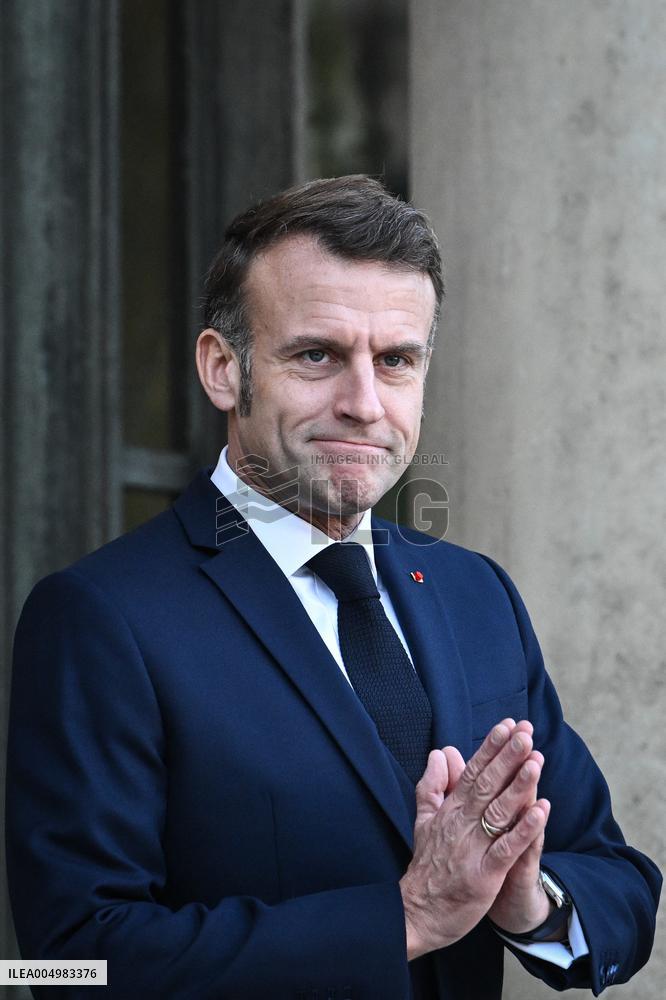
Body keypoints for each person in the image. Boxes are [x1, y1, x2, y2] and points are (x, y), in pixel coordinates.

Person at [6, 176, 660, 999]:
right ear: (222, 369)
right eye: (317, 355)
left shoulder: (476, 594)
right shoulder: (101, 619)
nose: (363, 403)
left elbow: (621, 882)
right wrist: (408, 918)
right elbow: (64, 964)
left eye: (396, 361)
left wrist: (524, 898)